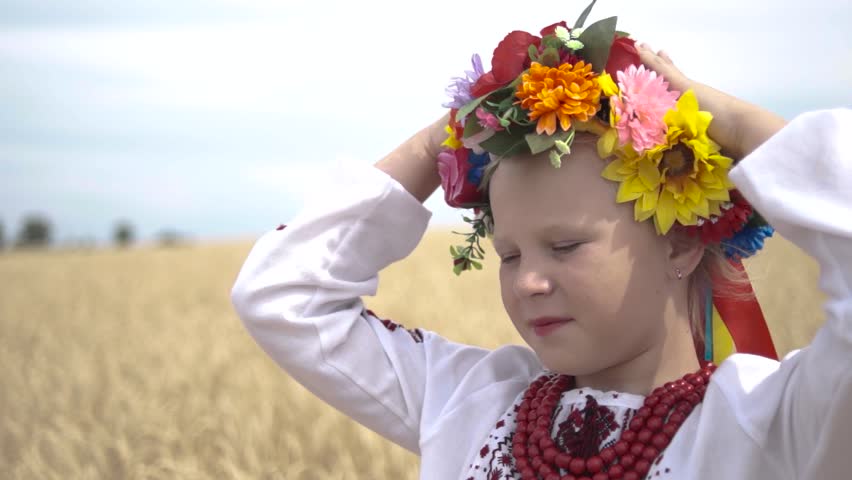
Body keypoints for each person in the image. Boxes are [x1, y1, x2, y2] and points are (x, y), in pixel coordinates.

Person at [230, 6, 851, 479]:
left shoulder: (773, 422)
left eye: (565, 246)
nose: (527, 280)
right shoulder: (471, 401)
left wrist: (727, 121)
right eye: (508, 253)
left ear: (681, 243)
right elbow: (283, 296)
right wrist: (444, 138)